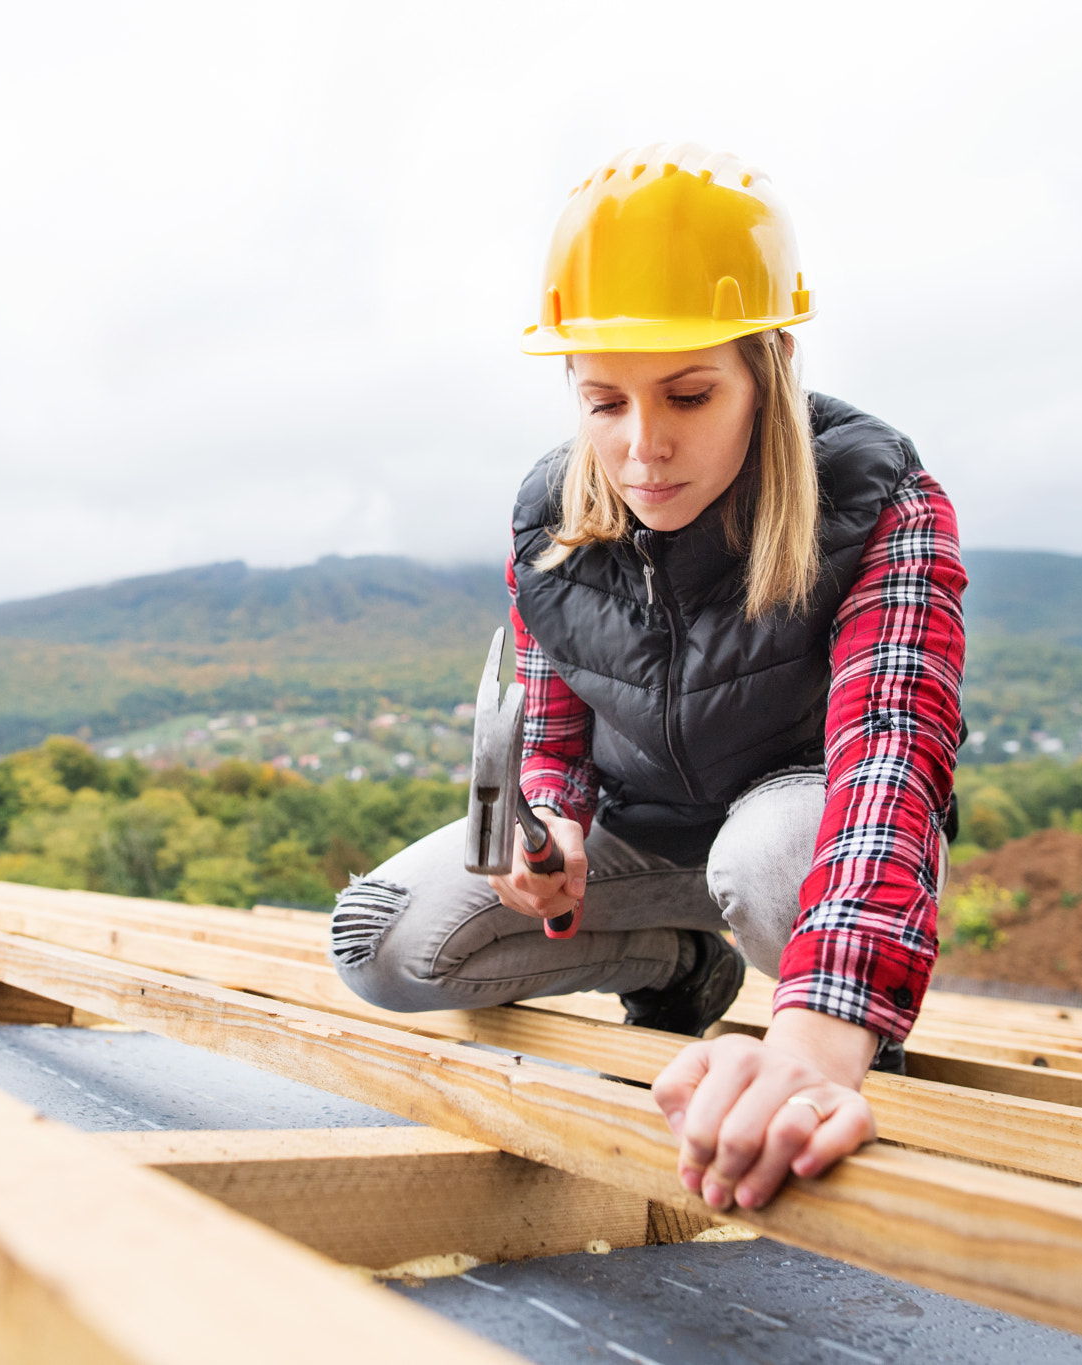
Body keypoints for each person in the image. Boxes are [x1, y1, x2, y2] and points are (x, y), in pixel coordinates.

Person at [330, 143, 965, 1214]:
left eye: (685, 394)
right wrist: (560, 826)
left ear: (763, 369)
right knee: (380, 946)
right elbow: (549, 730)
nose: (641, 451)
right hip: (651, 839)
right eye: (603, 402)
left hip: (803, 840)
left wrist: (810, 1046)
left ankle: (835, 1049)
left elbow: (890, 767)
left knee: (768, 860)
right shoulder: (547, 520)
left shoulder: (879, 499)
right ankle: (676, 967)